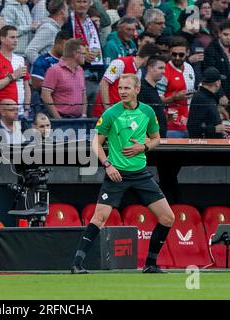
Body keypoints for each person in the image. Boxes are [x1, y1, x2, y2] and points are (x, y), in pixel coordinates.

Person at [71, 73, 174, 274]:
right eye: (120, 88)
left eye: (126, 88)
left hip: (141, 173)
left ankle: (150, 264)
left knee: (167, 218)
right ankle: (77, 264)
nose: (122, 92)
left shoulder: (147, 112)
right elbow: (96, 143)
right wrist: (108, 165)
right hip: (116, 174)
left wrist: (143, 148)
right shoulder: (111, 114)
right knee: (99, 218)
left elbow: (156, 139)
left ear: (137, 90)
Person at [93, 43, 160, 118]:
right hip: (104, 114)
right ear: (148, 58)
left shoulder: (139, 72)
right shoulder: (120, 63)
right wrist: (108, 108)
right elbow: (104, 83)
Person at [0, 25, 31, 119]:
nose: (16, 40)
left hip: (20, 113)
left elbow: (26, 86)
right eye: (12, 37)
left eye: (17, 37)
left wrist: (26, 109)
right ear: (2, 38)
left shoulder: (20, 59)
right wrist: (13, 76)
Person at [159, 36, 196, 138]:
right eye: (174, 54)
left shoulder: (189, 68)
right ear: (170, 52)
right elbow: (158, 100)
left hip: (188, 123)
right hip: (171, 125)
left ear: (187, 53)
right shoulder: (164, 71)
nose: (177, 57)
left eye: (181, 54)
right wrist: (174, 98)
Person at [41, 38, 87, 119]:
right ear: (75, 54)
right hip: (62, 120)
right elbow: (45, 95)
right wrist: (58, 118)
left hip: (80, 120)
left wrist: (83, 115)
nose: (85, 56)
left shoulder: (80, 70)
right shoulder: (54, 70)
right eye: (83, 53)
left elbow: (83, 94)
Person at [187, 67, 230, 138]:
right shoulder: (200, 98)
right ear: (217, 83)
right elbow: (192, 127)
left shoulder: (209, 97)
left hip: (213, 144)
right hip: (204, 147)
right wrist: (214, 129)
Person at [25, 0, 69, 64]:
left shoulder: (54, 29)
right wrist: (44, 67)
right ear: (62, 12)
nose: (68, 14)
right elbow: (30, 51)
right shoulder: (48, 28)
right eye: (67, 10)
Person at [138, 55, 168, 137]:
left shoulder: (154, 89)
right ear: (150, 68)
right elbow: (140, 116)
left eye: (164, 68)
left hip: (159, 139)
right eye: (160, 68)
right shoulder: (141, 89)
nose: (164, 71)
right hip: (149, 141)